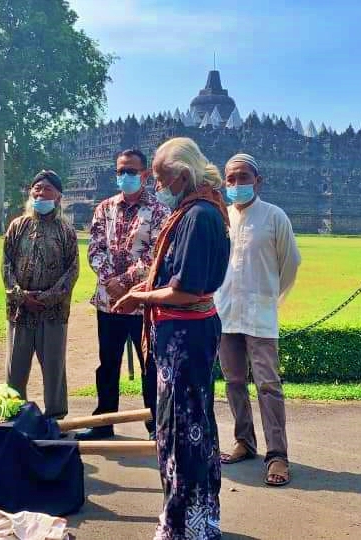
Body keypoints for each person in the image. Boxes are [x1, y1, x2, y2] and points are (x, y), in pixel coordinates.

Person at [113, 137, 230, 539]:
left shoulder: (199, 214)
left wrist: (139, 296)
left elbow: (185, 289)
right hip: (183, 332)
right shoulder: (198, 208)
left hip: (185, 333)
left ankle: (185, 524)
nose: (158, 186)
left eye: (162, 179)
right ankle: (196, 519)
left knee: (183, 427)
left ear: (182, 174)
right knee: (187, 422)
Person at [215, 153, 301, 487]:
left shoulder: (274, 217)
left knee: (268, 384)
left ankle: (277, 454)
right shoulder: (221, 217)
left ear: (258, 181)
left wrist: (269, 297)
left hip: (260, 313)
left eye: (243, 177)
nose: (236, 184)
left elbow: (290, 264)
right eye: (230, 179)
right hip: (226, 312)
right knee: (233, 381)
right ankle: (244, 441)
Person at [77, 149, 170, 441]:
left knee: (149, 364)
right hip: (108, 302)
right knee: (108, 363)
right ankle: (104, 421)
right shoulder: (104, 208)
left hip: (142, 302)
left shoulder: (159, 211)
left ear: (145, 174)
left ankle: (155, 423)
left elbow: (157, 254)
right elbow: (95, 248)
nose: (125, 176)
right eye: (120, 171)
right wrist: (110, 281)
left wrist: (126, 281)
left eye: (131, 171)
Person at [2, 170, 79, 419]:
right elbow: (6, 265)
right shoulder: (17, 226)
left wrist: (46, 298)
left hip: (53, 312)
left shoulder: (65, 230)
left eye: (47, 189)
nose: (41, 193)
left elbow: (72, 270)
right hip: (20, 310)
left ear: (58, 196)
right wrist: (21, 295)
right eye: (37, 188)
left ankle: (55, 417)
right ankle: (15, 413)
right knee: (15, 368)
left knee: (54, 367)